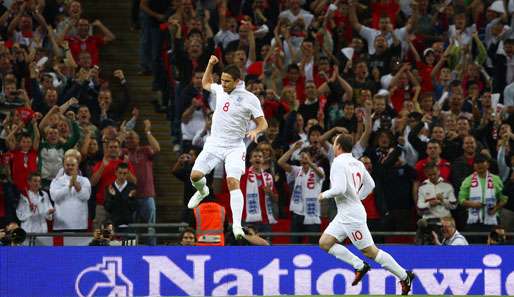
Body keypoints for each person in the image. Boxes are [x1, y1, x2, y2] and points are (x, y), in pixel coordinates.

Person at [318, 134, 415, 295]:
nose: (333, 146)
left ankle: (405, 276)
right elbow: (371, 184)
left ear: (338, 146)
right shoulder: (357, 162)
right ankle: (359, 265)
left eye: (334, 143)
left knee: (371, 252)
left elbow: (340, 189)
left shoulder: (338, 162)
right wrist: (358, 196)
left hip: (351, 216)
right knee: (325, 242)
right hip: (346, 213)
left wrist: (324, 195)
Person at [187, 55, 268, 239]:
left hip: (234, 146)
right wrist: (209, 64)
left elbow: (263, 123)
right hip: (214, 142)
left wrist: (256, 131)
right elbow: (207, 83)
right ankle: (203, 190)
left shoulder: (250, 98)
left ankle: (237, 226)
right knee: (195, 176)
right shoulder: (222, 89)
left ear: (237, 81)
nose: (222, 84)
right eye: (222, 80)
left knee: (233, 182)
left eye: (227, 81)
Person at [50, 156, 91, 232]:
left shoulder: (84, 180)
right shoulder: (56, 181)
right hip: (61, 225)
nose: (70, 167)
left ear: (77, 165)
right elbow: (54, 197)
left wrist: (79, 189)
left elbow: (86, 197)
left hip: (80, 225)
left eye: (72, 165)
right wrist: (68, 187)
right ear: (63, 165)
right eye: (67, 165)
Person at [16, 173, 54, 246]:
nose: (37, 183)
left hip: (42, 230)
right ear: (29, 182)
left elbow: (49, 210)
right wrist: (30, 210)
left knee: (41, 254)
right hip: (28, 230)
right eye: (35, 181)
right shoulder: (24, 196)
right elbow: (20, 216)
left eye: (39, 181)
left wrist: (49, 212)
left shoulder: (44, 194)